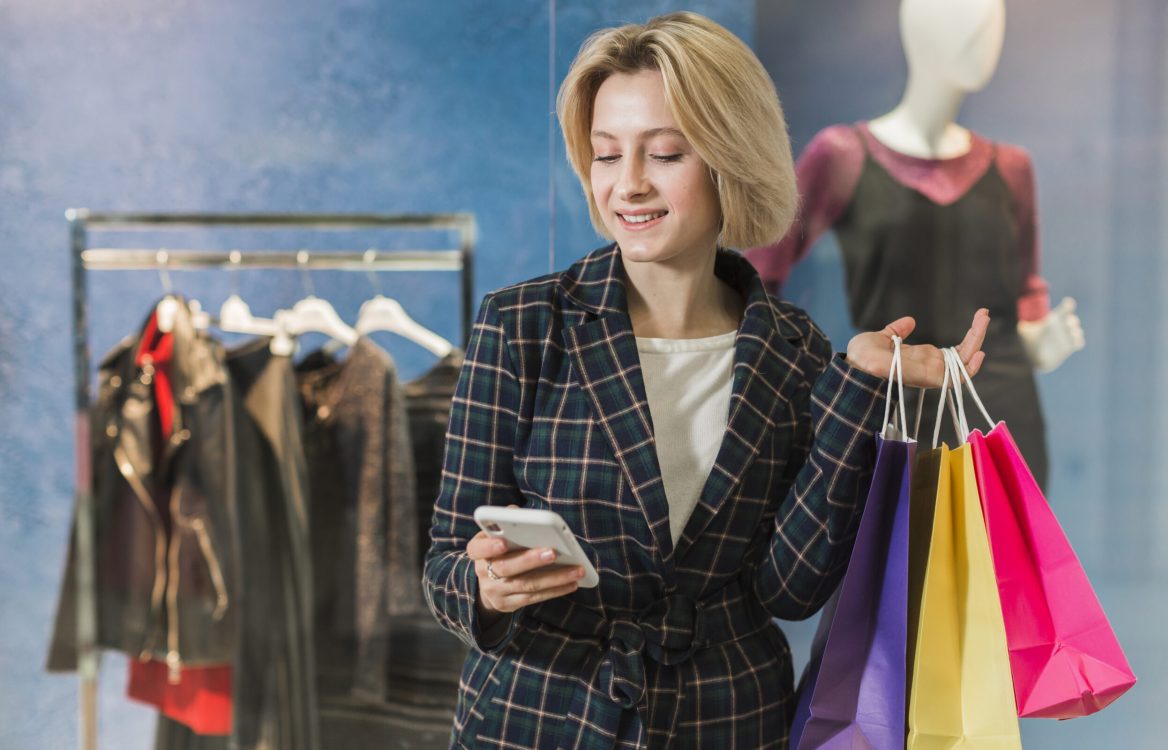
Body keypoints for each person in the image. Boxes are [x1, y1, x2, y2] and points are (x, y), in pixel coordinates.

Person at [422, 12, 988, 749]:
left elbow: (791, 589)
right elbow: (442, 563)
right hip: (536, 717)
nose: (627, 186)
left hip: (727, 717)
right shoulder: (522, 325)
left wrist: (860, 385)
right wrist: (485, 588)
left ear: (728, 158)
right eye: (604, 155)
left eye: (663, 154)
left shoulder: (792, 352)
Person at [745, 0, 1083, 487]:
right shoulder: (843, 155)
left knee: (1006, 563)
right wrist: (811, 376)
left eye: (991, 19)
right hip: (893, 409)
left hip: (1002, 415)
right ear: (915, 26)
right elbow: (760, 270)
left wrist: (1041, 341)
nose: (983, 32)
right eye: (964, 20)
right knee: (894, 558)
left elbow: (1025, 294)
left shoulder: (1011, 168)